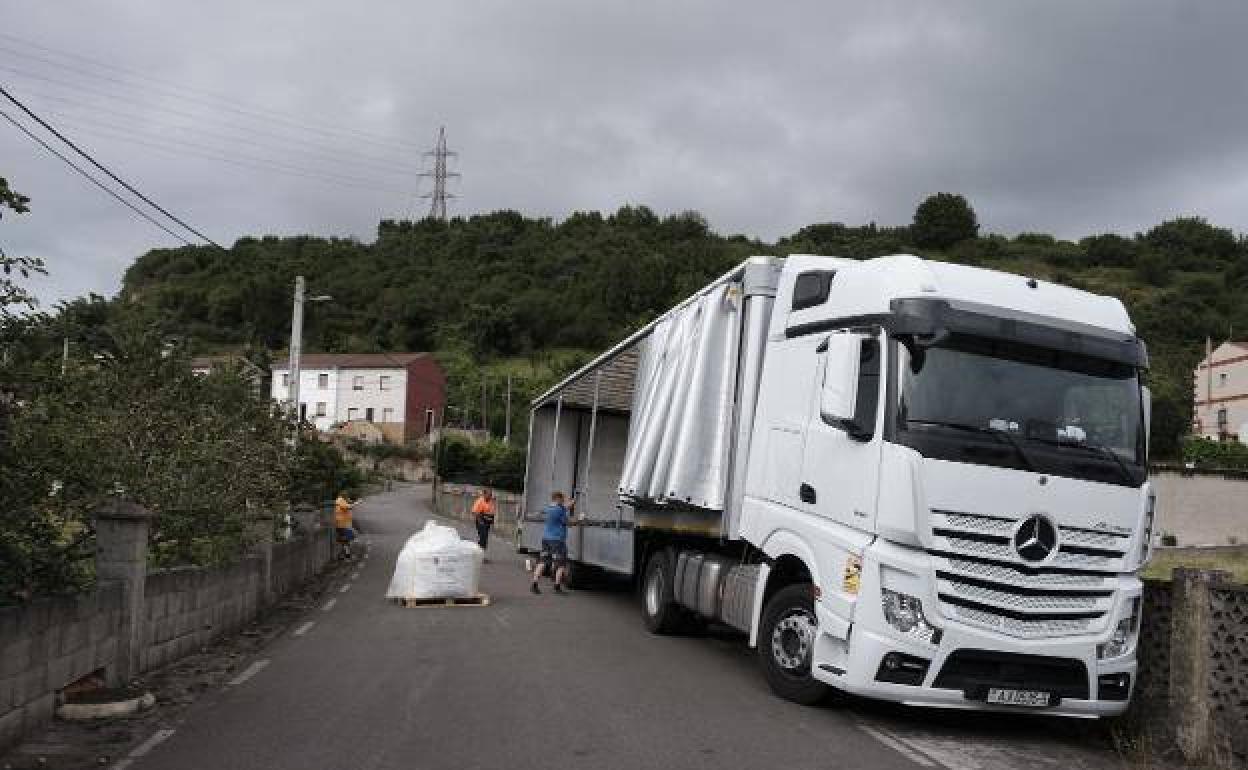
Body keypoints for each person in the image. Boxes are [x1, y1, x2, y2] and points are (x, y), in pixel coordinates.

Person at [531, 491, 576, 595]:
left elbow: (563, 508)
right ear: (558, 499)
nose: (564, 500)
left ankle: (534, 584)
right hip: (557, 540)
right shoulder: (560, 510)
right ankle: (557, 587)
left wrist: (570, 504)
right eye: (562, 499)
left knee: (542, 562)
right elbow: (568, 523)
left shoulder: (549, 508)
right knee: (561, 564)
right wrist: (579, 519)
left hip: (546, 539)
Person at [472, 487, 497, 560]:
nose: (490, 496)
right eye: (489, 494)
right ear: (484, 494)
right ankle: (480, 556)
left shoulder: (491, 502)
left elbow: (491, 512)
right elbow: (474, 512)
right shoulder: (480, 501)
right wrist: (480, 521)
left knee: (484, 539)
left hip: (487, 523)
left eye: (491, 494)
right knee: (483, 539)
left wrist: (491, 522)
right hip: (481, 522)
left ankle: (480, 555)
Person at [334, 492, 357, 559]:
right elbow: (348, 507)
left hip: (344, 524)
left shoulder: (342, 500)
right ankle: (345, 555)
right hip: (343, 524)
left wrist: (350, 502)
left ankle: (346, 554)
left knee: (345, 540)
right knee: (346, 539)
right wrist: (356, 503)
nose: (348, 497)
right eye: (347, 496)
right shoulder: (340, 500)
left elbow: (348, 506)